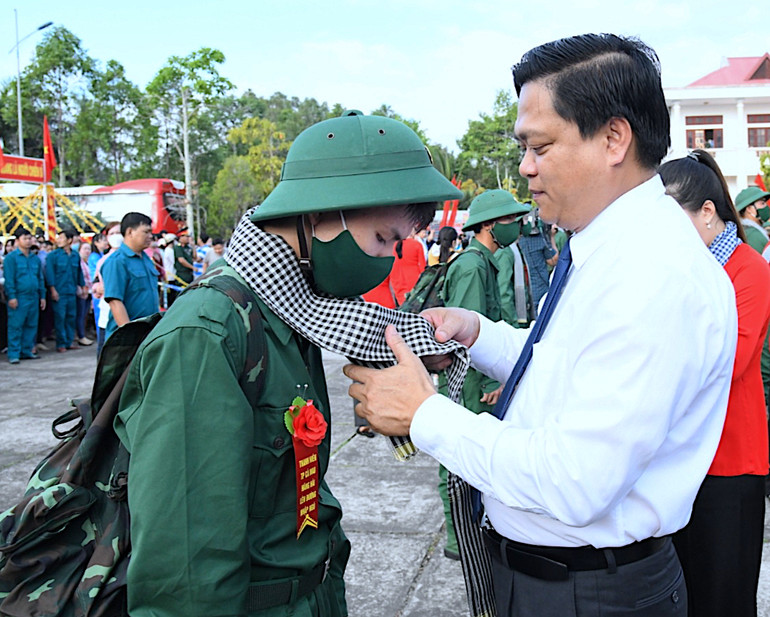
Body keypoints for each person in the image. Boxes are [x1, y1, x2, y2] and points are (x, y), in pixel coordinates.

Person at [346, 34, 738, 617]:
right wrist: (478, 334)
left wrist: (424, 414)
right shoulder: (608, 248)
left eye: (540, 146)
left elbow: (575, 481)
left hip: (588, 591)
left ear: (613, 139)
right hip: (556, 580)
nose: (525, 167)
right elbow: (566, 364)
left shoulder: (653, 276)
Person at [113, 110, 463, 617]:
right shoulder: (208, 334)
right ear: (321, 214)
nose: (388, 258)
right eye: (384, 238)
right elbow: (185, 572)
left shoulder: (293, 308)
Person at [659, 150, 770, 617]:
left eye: (671, 220)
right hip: (682, 459)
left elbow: (730, 361)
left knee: (725, 598)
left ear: (707, 212)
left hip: (731, 464)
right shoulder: (681, 270)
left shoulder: (750, 271)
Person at [437, 188, 529, 560]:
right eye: (511, 219)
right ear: (489, 225)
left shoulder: (483, 262)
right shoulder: (472, 267)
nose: (518, 225)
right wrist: (491, 381)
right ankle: (458, 539)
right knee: (458, 453)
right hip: (468, 380)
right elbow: (464, 334)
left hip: (477, 377)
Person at [101, 212, 160, 341]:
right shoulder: (117, 262)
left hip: (148, 334)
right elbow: (115, 302)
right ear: (130, 232)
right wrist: (130, 337)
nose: (150, 236)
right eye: (146, 232)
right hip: (128, 339)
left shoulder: (146, 259)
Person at [4, 228, 45, 364]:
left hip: (33, 296)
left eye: (29, 238)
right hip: (19, 296)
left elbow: (40, 278)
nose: (28, 241)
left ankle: (26, 350)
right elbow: (9, 279)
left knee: (31, 325)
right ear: (17, 241)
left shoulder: (35, 259)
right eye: (24, 239)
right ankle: (14, 353)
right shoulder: (11, 258)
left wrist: (42, 296)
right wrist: (12, 296)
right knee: (16, 325)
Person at [494, 200, 533, 327]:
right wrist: (513, 324)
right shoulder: (506, 252)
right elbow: (504, 292)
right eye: (525, 220)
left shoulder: (515, 248)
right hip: (514, 321)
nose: (527, 224)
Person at [45, 229, 85, 353]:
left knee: (71, 317)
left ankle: (69, 341)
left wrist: (82, 286)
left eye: (61, 238)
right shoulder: (53, 256)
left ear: (69, 240)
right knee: (60, 318)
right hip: (59, 291)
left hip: (71, 291)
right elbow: (50, 274)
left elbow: (79, 272)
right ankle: (61, 343)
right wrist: (53, 290)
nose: (59, 240)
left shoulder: (75, 255)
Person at [390, 233, 426, 305]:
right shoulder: (417, 244)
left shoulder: (391, 246)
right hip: (415, 284)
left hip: (397, 283)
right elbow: (423, 269)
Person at [735, 186, 770, 254]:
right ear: (749, 209)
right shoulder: (753, 235)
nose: (766, 206)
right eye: (762, 203)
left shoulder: (747, 230)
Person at [75, 241, 94, 346]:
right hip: (82, 292)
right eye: (84, 249)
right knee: (81, 314)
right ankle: (81, 336)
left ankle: (82, 334)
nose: (87, 251)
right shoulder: (79, 262)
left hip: (89, 291)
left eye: (88, 249)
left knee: (85, 314)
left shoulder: (87, 262)